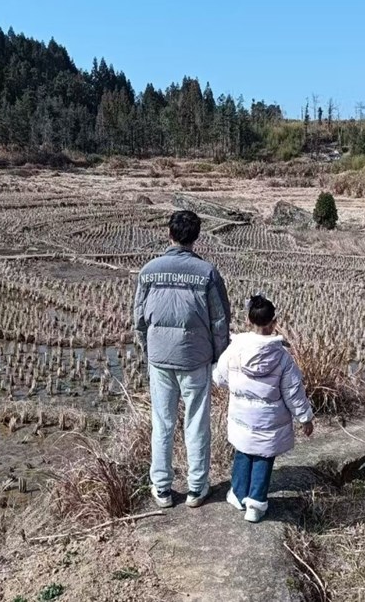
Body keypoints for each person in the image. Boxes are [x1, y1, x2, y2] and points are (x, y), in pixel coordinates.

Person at [134, 210, 231, 509]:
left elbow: (139, 319)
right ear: (196, 237)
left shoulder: (149, 271)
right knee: (196, 424)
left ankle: (162, 489)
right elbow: (220, 321)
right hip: (195, 358)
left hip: (160, 359)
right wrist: (218, 356)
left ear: (169, 234)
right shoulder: (207, 273)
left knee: (162, 423)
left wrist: (150, 350)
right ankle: (196, 488)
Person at [213, 294, 313, 523]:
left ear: (248, 321)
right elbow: (293, 392)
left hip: (241, 418)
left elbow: (220, 377)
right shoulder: (283, 357)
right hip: (269, 422)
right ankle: (255, 506)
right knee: (263, 457)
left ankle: (238, 496)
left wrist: (239, 388)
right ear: (274, 322)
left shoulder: (235, 349)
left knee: (243, 451)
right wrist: (305, 417)